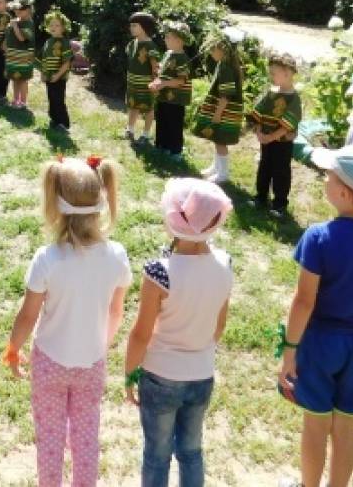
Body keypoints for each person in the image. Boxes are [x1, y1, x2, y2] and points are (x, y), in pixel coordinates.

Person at [277, 145, 353, 487]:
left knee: (316, 424)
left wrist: (289, 350)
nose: (324, 180)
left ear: (344, 192)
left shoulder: (318, 237)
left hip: (319, 343)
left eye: (328, 177)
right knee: (345, 426)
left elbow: (304, 302)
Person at [4, 156, 129, 487]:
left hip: (49, 363)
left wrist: (13, 349)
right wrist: (103, 343)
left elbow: (28, 315)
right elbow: (117, 312)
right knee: (87, 438)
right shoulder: (117, 255)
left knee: (50, 439)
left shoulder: (47, 259)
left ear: (55, 206)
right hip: (92, 362)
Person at [124, 178, 233, 487]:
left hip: (161, 375)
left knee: (157, 454)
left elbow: (141, 334)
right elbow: (219, 325)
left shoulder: (159, 271)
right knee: (191, 450)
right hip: (202, 373)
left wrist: (130, 373)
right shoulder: (225, 264)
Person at [250, 53, 303, 216]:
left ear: (287, 73)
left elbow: (288, 124)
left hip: (282, 142)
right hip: (265, 139)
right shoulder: (271, 93)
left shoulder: (293, 98)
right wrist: (259, 131)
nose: (270, 75)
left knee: (281, 171)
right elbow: (258, 112)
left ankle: (279, 203)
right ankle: (261, 196)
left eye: (274, 72)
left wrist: (271, 137)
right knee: (264, 167)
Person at [193, 31, 245, 184]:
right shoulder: (224, 64)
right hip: (224, 110)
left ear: (223, 49)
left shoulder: (226, 68)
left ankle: (223, 174)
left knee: (221, 140)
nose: (210, 51)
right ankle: (216, 167)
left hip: (225, 111)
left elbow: (225, 96)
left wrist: (217, 114)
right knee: (217, 139)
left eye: (212, 48)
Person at [149, 21, 192, 160]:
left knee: (174, 123)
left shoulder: (182, 58)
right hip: (163, 96)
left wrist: (163, 84)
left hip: (176, 98)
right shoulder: (168, 53)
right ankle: (162, 145)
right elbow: (163, 72)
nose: (165, 39)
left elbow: (181, 81)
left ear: (179, 40)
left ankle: (175, 151)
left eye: (168, 37)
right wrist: (156, 81)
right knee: (162, 120)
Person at [125, 12, 162, 143]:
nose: (131, 28)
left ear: (144, 27)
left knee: (148, 108)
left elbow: (155, 67)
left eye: (135, 25)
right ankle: (129, 129)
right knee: (133, 106)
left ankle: (145, 135)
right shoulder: (132, 44)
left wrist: (156, 83)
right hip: (132, 82)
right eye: (131, 25)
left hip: (146, 84)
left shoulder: (150, 46)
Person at [40, 8, 73, 131]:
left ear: (63, 28)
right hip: (49, 76)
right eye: (51, 24)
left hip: (59, 77)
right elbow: (44, 59)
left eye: (57, 25)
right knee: (51, 98)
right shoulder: (48, 42)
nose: (53, 27)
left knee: (58, 99)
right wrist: (43, 73)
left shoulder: (64, 42)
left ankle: (63, 123)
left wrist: (58, 75)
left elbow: (67, 62)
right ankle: (54, 120)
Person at [5, 0, 37, 109]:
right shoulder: (16, 21)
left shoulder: (28, 23)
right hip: (14, 55)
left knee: (22, 79)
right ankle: (15, 99)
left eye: (19, 9)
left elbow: (22, 38)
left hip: (23, 57)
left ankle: (23, 102)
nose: (16, 11)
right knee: (14, 78)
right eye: (15, 9)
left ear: (28, 10)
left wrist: (14, 26)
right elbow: (10, 35)